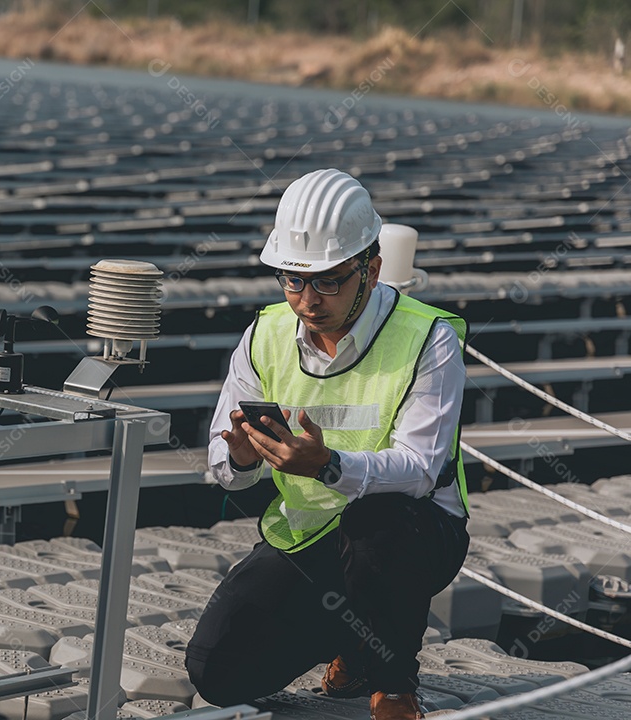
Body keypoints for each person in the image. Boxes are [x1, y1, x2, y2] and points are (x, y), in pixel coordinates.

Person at [185, 168, 470, 720]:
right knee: (217, 672)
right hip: (310, 536)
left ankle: (393, 684)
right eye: (292, 281)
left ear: (372, 268)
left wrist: (329, 466)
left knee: (374, 523)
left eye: (328, 281)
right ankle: (355, 635)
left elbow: (419, 469)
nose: (307, 300)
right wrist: (242, 456)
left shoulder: (427, 337)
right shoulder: (262, 334)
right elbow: (224, 465)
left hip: (412, 534)